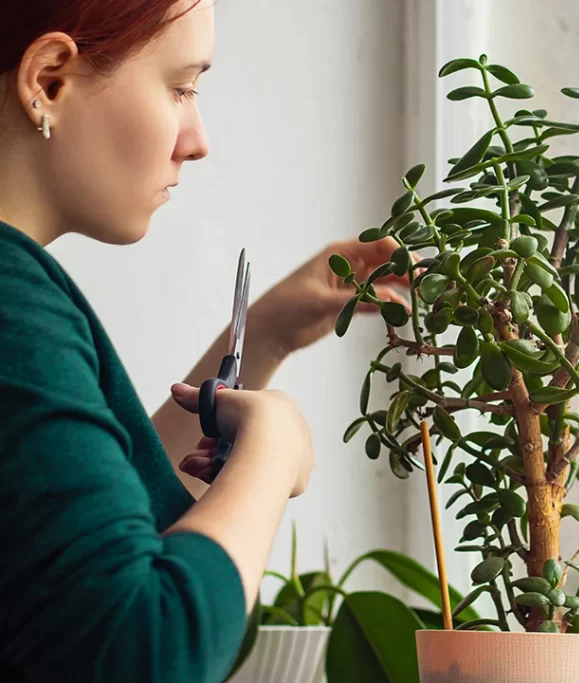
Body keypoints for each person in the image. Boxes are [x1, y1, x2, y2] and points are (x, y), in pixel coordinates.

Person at [0, 1, 410, 681]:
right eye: (181, 87)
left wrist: (267, 329)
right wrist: (273, 454)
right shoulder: (14, 302)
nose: (197, 139)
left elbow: (89, 513)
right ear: (48, 80)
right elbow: (148, 650)